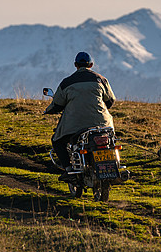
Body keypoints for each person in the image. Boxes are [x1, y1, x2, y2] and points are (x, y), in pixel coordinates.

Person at [44, 52, 117, 181]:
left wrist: (47, 111)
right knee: (111, 142)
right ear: (91, 65)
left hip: (75, 126)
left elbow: (57, 104)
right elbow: (111, 100)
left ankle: (68, 169)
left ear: (75, 65)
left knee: (57, 141)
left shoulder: (67, 82)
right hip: (103, 124)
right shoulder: (101, 80)